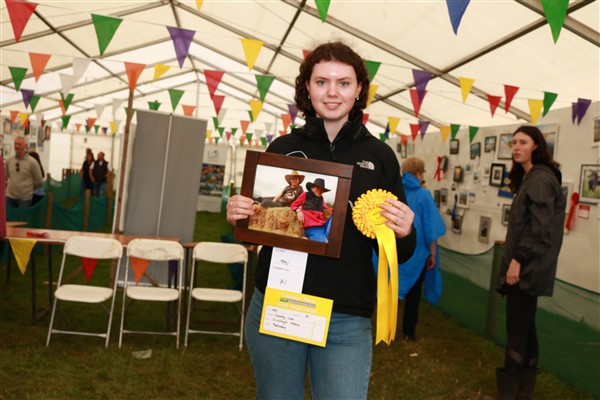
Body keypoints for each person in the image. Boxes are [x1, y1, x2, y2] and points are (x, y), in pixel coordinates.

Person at [226, 41, 416, 400]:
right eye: (322, 82)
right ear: (307, 88)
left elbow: (400, 252)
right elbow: (254, 235)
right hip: (279, 306)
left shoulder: (379, 157)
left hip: (345, 319)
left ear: (359, 90)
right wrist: (241, 216)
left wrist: (405, 232)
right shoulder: (281, 148)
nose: (332, 92)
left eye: (343, 83)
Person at [494, 125, 566, 400]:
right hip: (529, 266)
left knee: (517, 329)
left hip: (526, 268)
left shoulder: (540, 179)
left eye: (523, 142)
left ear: (536, 146)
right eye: (514, 142)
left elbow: (541, 230)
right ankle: (523, 393)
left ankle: (509, 395)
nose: (516, 147)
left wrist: (517, 261)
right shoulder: (534, 177)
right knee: (526, 327)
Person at [396, 157, 446, 342]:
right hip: (417, 253)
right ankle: (408, 333)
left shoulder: (395, 190)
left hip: (397, 250)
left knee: (390, 289)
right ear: (418, 173)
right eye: (422, 172)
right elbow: (431, 226)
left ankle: (387, 329)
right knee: (414, 295)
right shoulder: (424, 195)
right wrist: (433, 253)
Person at [290, 177, 333, 242]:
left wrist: (337, 210)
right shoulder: (305, 194)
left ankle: (328, 236)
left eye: (322, 190)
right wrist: (298, 211)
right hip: (313, 228)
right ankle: (325, 238)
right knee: (323, 243)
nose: (319, 191)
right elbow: (293, 205)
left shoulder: (321, 198)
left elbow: (326, 208)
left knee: (336, 215)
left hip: (324, 226)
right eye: (317, 188)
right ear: (312, 188)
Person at [5, 136, 43, 208]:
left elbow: (39, 182)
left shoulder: (32, 162)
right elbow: (6, 177)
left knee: (22, 215)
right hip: (9, 197)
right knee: (8, 215)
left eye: (19, 144)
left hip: (25, 199)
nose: (17, 146)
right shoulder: (9, 161)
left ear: (25, 146)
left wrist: (26, 189)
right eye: (15, 144)